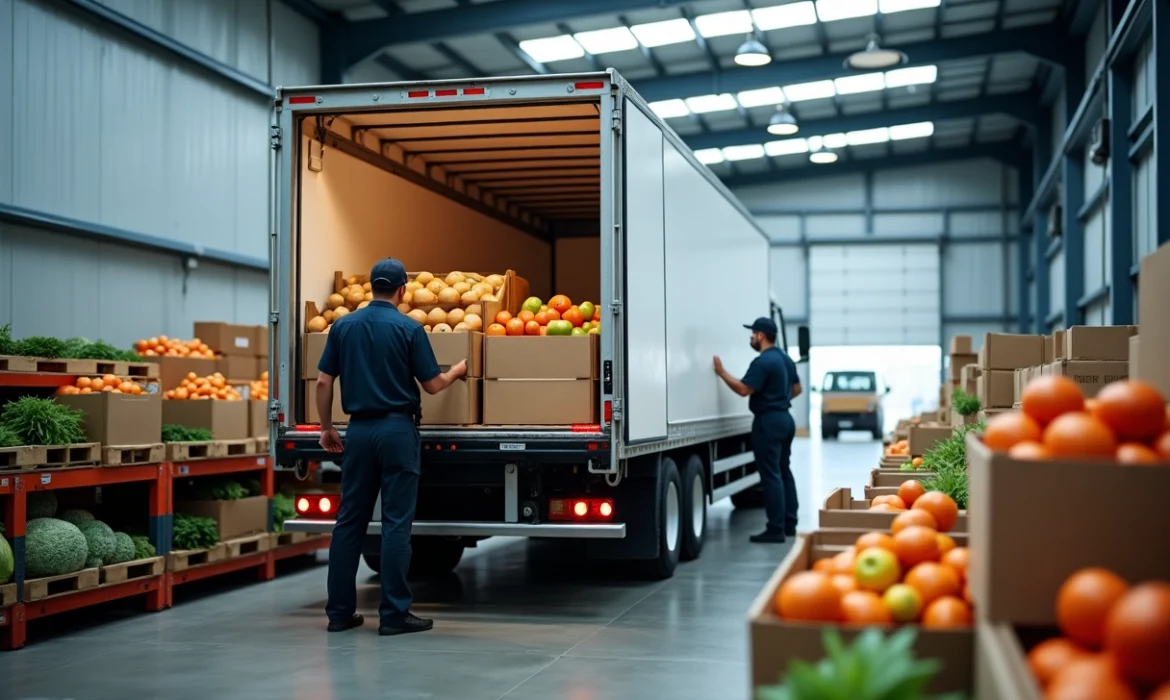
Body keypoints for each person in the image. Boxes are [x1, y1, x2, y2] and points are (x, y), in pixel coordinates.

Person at [315, 257, 467, 636]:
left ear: (370, 287)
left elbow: (322, 382)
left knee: (349, 523)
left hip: (359, 432)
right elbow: (432, 385)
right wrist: (457, 371)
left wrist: (327, 428)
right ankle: (394, 615)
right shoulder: (409, 328)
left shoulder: (342, 327)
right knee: (396, 524)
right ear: (402, 290)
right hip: (397, 431)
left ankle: (338, 614)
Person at [713, 318, 799, 543]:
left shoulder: (763, 362)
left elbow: (743, 389)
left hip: (767, 422)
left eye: (752, 334)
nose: (751, 337)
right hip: (785, 419)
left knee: (770, 476)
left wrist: (722, 372)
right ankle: (790, 524)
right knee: (783, 471)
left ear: (761, 336)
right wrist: (780, 399)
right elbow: (797, 389)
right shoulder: (786, 360)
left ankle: (775, 529)